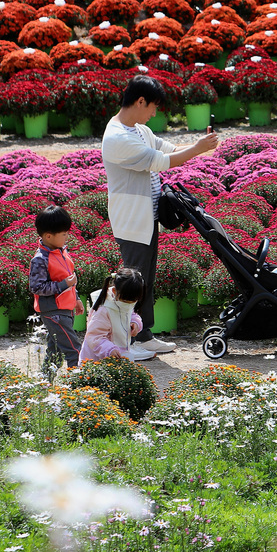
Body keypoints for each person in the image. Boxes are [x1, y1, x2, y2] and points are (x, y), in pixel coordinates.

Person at [102, 76, 219, 354]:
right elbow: (162, 162)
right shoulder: (117, 137)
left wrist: (198, 146)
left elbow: (168, 149)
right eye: (153, 107)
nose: (154, 113)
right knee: (131, 283)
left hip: (145, 218)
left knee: (145, 280)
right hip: (131, 220)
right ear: (140, 101)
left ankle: (142, 335)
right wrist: (198, 150)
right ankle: (124, 342)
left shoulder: (138, 129)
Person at [29, 205, 84, 373]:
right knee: (75, 350)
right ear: (48, 236)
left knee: (55, 352)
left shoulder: (61, 251)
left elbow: (68, 279)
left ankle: (45, 384)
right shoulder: (40, 259)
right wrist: (63, 285)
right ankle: (80, 385)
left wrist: (76, 299)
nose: (67, 237)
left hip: (65, 309)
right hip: (53, 312)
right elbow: (36, 287)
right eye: (64, 234)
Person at [80, 269, 151, 364]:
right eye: (126, 302)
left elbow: (131, 312)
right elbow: (94, 336)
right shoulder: (104, 310)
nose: (129, 304)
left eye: (133, 302)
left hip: (117, 356)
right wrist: (109, 349)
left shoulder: (124, 300)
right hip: (96, 360)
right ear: (114, 291)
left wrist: (135, 322)